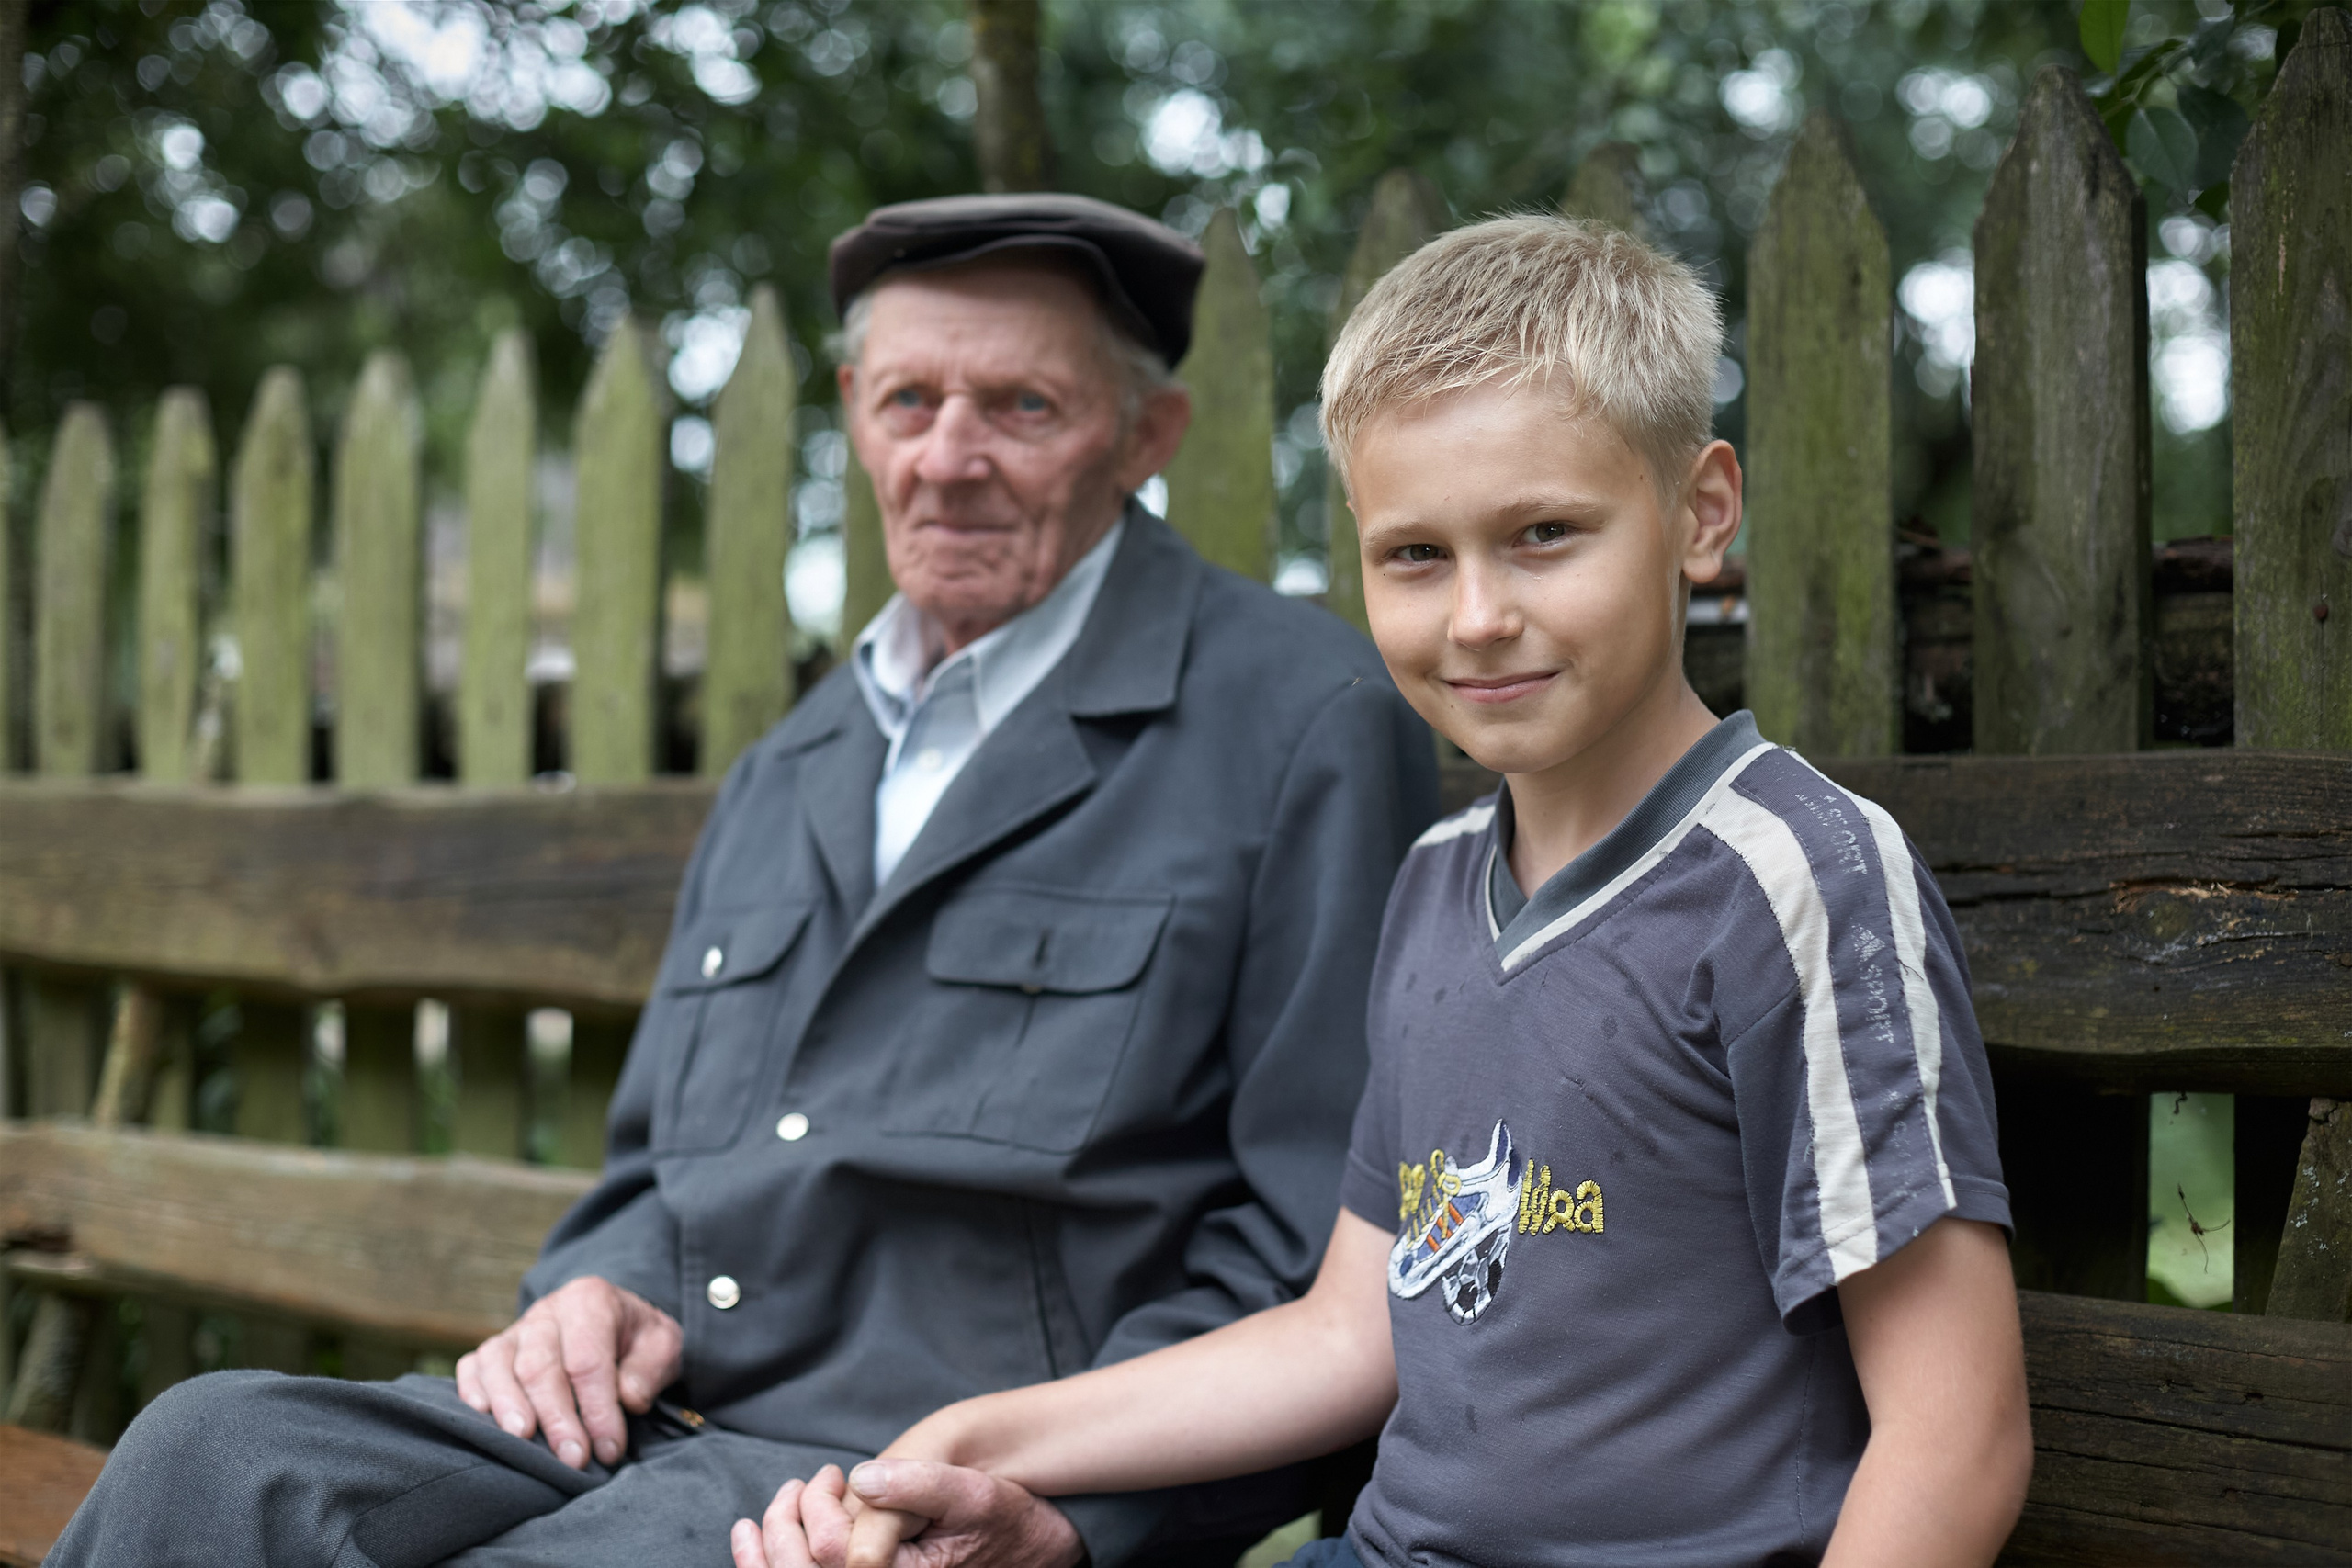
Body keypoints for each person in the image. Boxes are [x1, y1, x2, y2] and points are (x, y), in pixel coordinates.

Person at [48, 193, 1439, 1568]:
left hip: (914, 1473)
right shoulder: (798, 759)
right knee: (210, 1452)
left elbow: (1309, 1259)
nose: (947, 459)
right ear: (851, 411)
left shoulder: (1302, 723)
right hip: (646, 1425)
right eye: (907, 402)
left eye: (1020, 408)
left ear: (1148, 437)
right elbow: (661, 1162)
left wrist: (1070, 1515)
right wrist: (600, 1295)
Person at [739, 215, 2033, 1568]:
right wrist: (962, 1446)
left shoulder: (1794, 877)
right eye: (1415, 556)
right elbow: (1351, 1334)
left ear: (1701, 512)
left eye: (1543, 535)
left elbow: (1958, 1439)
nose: (1475, 615)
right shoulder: (1431, 884)